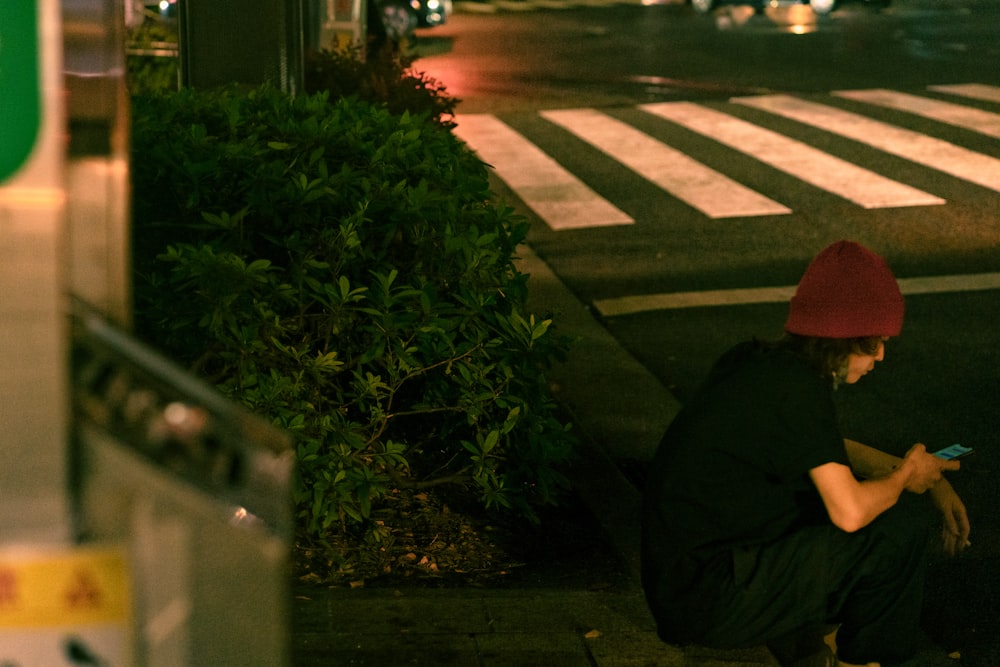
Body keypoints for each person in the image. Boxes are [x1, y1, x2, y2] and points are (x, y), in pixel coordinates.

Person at [640, 240, 971, 667]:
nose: (882, 356)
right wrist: (905, 479)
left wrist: (927, 479)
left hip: (683, 583)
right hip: (713, 598)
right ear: (842, 338)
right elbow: (849, 511)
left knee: (839, 506)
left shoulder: (756, 363)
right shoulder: (800, 392)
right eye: (874, 343)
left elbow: (825, 450)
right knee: (895, 531)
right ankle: (869, 659)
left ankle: (817, 645)